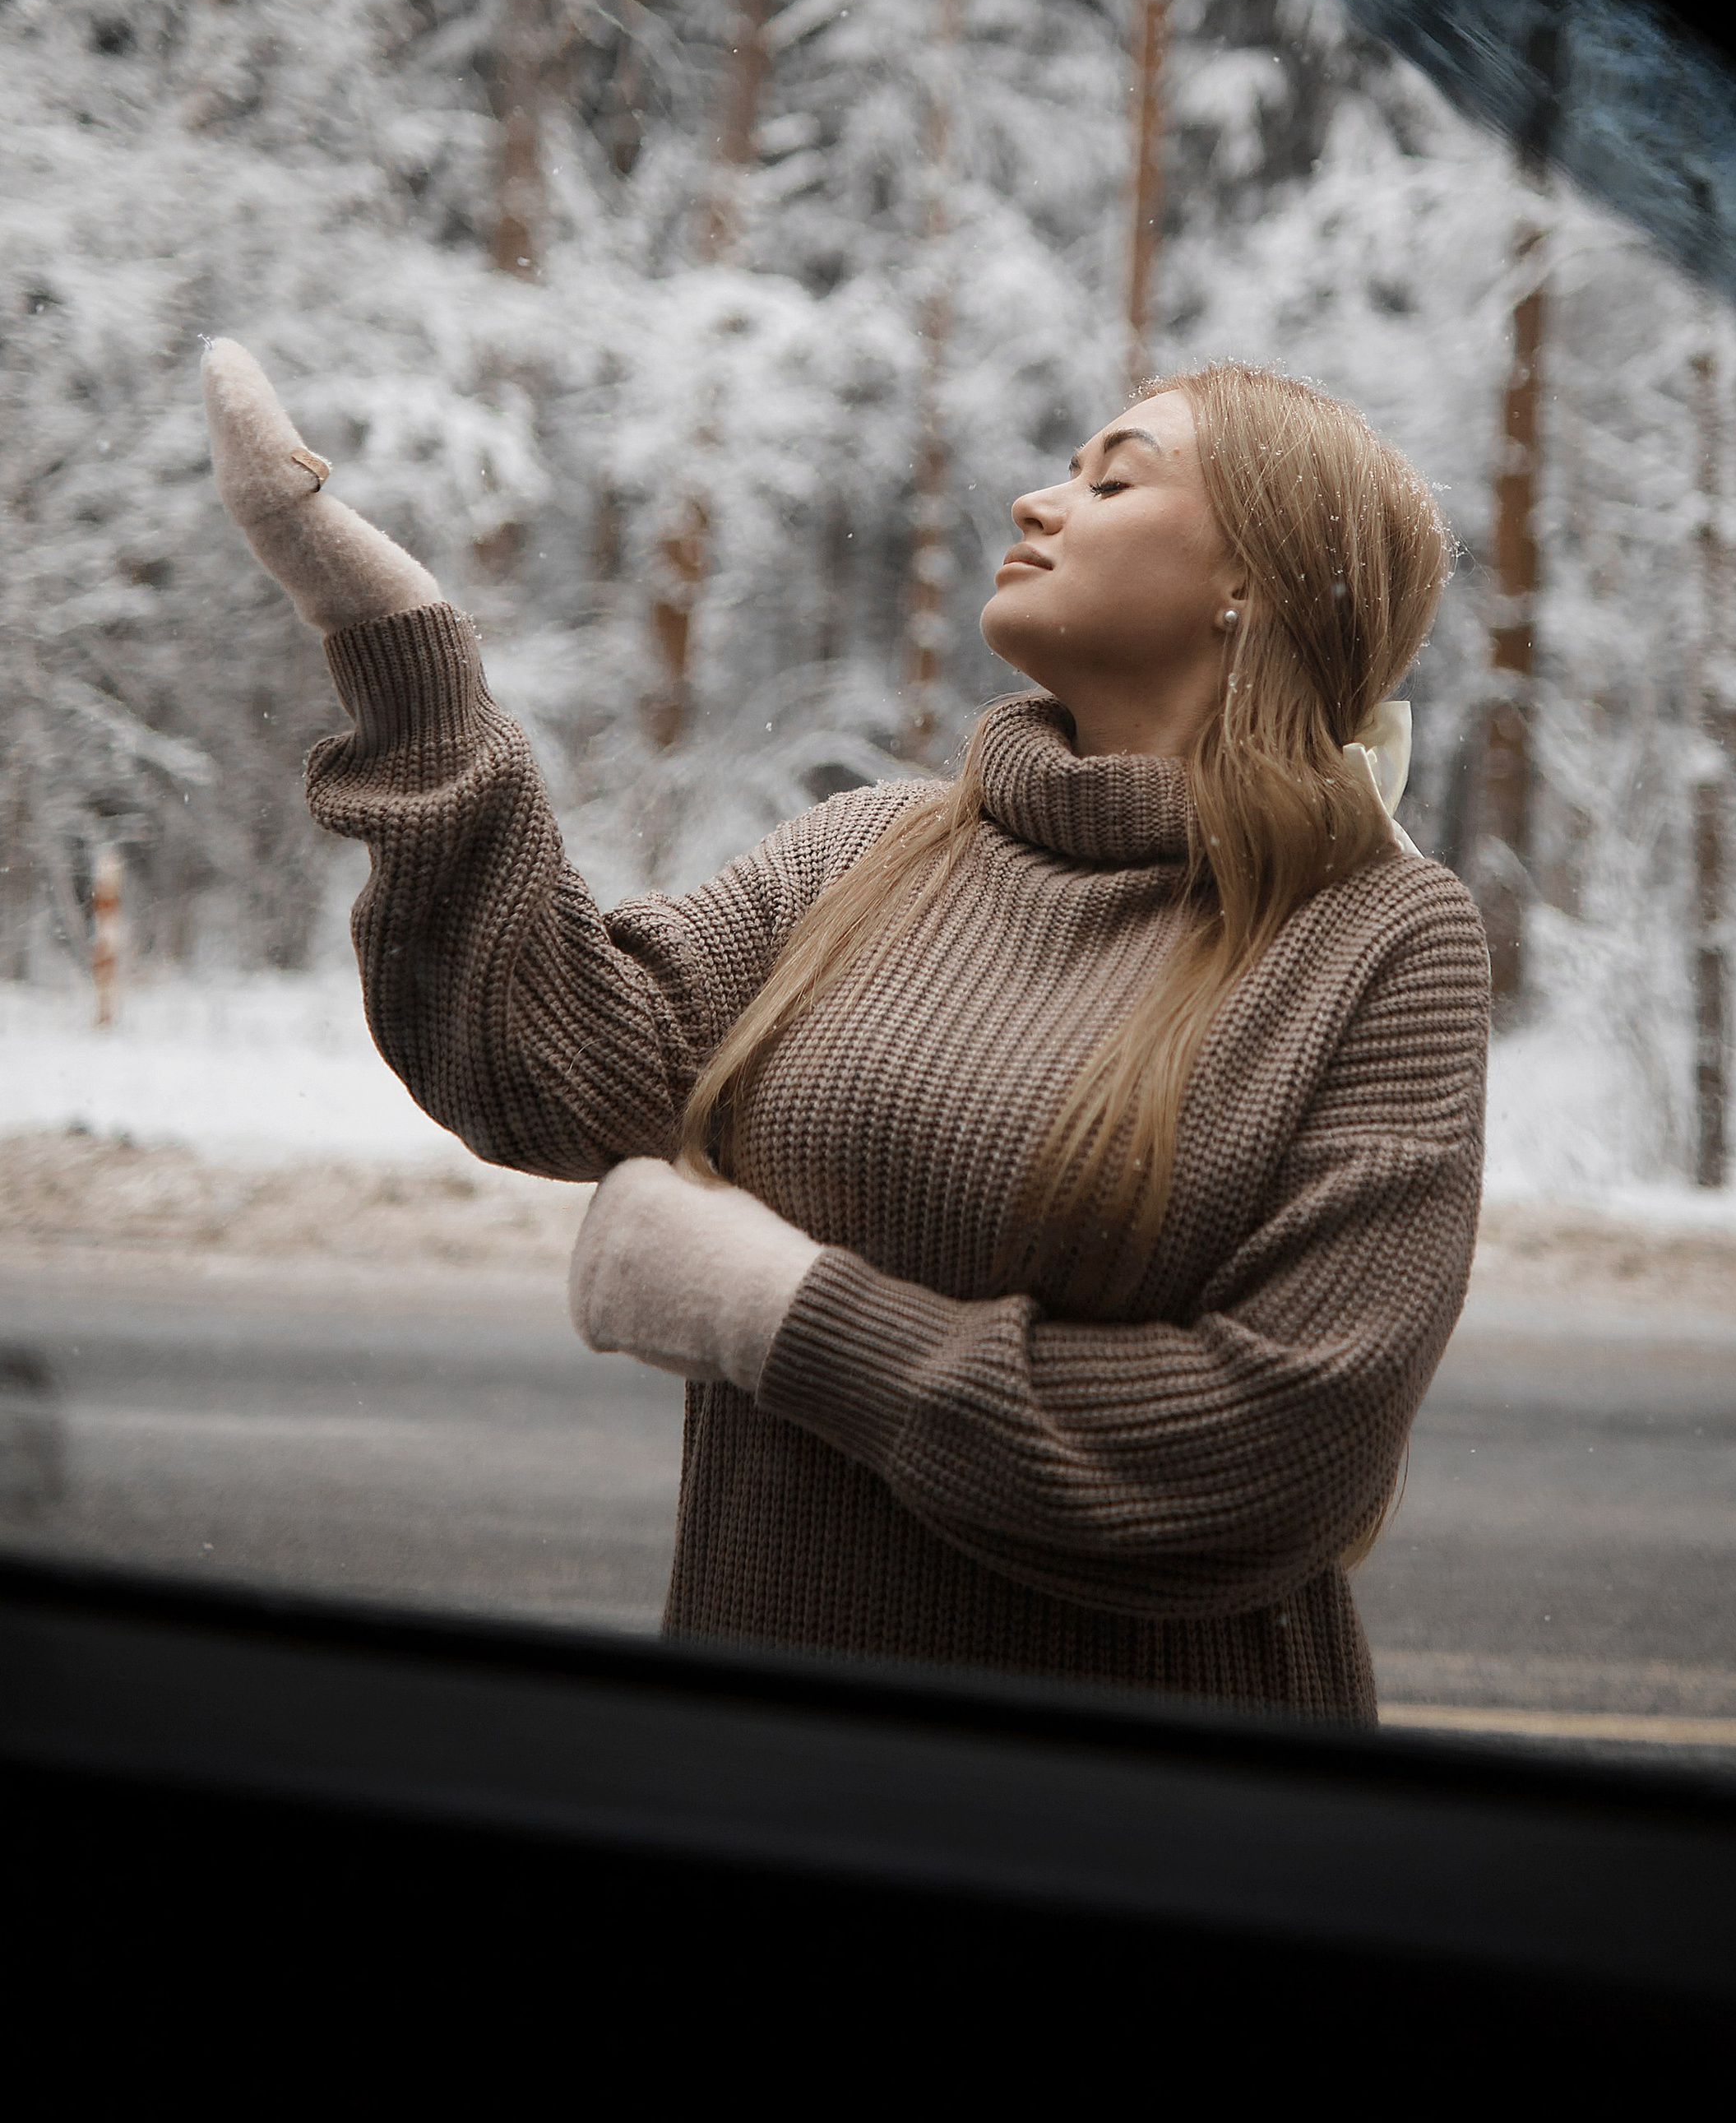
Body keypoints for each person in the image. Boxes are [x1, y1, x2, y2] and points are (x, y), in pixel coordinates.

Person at [203, 340, 1488, 1719]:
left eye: (1116, 482)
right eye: (1065, 471)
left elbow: (1270, 1456)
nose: (1038, 502)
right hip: (766, 1761)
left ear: (1260, 581)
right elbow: (538, 1064)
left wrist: (777, 1315)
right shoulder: (867, 853)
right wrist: (403, 654)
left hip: (1143, 1804)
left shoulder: (1382, 937)